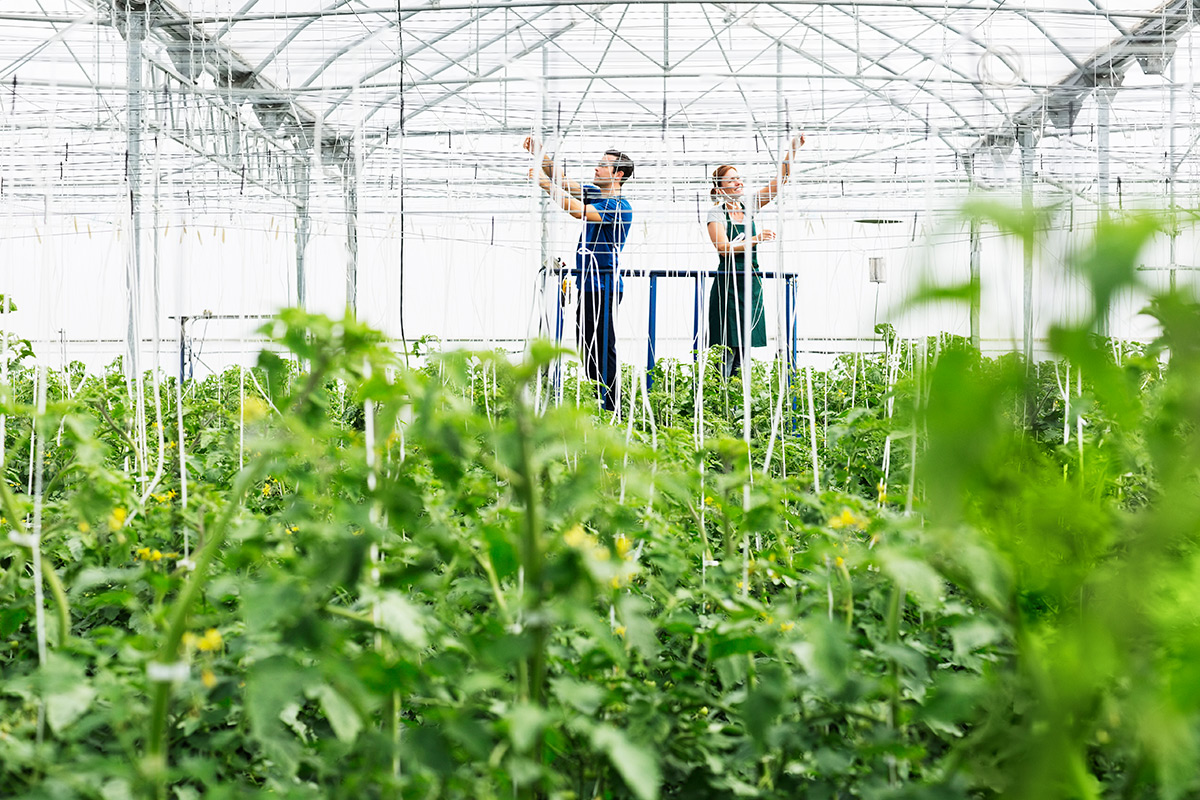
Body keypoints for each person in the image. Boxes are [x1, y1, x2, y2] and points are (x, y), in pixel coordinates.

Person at [525, 137, 634, 412]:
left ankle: (612, 407)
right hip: (588, 283)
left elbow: (579, 212)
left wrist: (545, 185)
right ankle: (599, 397)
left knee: (603, 345)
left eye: (602, 166)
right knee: (587, 343)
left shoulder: (619, 206)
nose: (596, 169)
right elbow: (564, 181)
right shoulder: (597, 193)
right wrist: (542, 156)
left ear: (618, 174)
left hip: (605, 284)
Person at [706, 136, 804, 379]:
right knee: (726, 344)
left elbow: (779, 182)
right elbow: (722, 247)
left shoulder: (748, 205)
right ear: (720, 188)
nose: (738, 182)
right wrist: (755, 239)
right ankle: (720, 393)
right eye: (732, 180)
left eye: (738, 178)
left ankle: (739, 393)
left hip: (751, 283)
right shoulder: (716, 213)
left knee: (744, 343)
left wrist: (791, 151)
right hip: (727, 284)